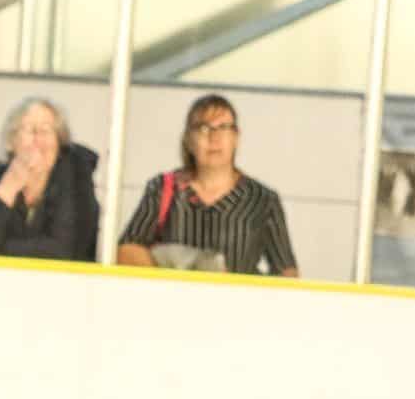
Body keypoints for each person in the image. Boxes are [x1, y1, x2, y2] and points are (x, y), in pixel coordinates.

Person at [115, 93, 298, 276]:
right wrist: (180, 274)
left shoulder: (263, 199)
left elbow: (286, 271)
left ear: (236, 137)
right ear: (188, 139)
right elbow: (126, 251)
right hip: (172, 302)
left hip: (237, 303)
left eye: (223, 127)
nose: (214, 137)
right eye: (203, 128)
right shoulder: (163, 188)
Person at [0, 97, 100, 261]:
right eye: (29, 130)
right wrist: (9, 185)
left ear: (59, 143)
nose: (37, 139)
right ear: (12, 142)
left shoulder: (76, 176)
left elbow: (63, 250)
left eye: (45, 130)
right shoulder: (0, 175)